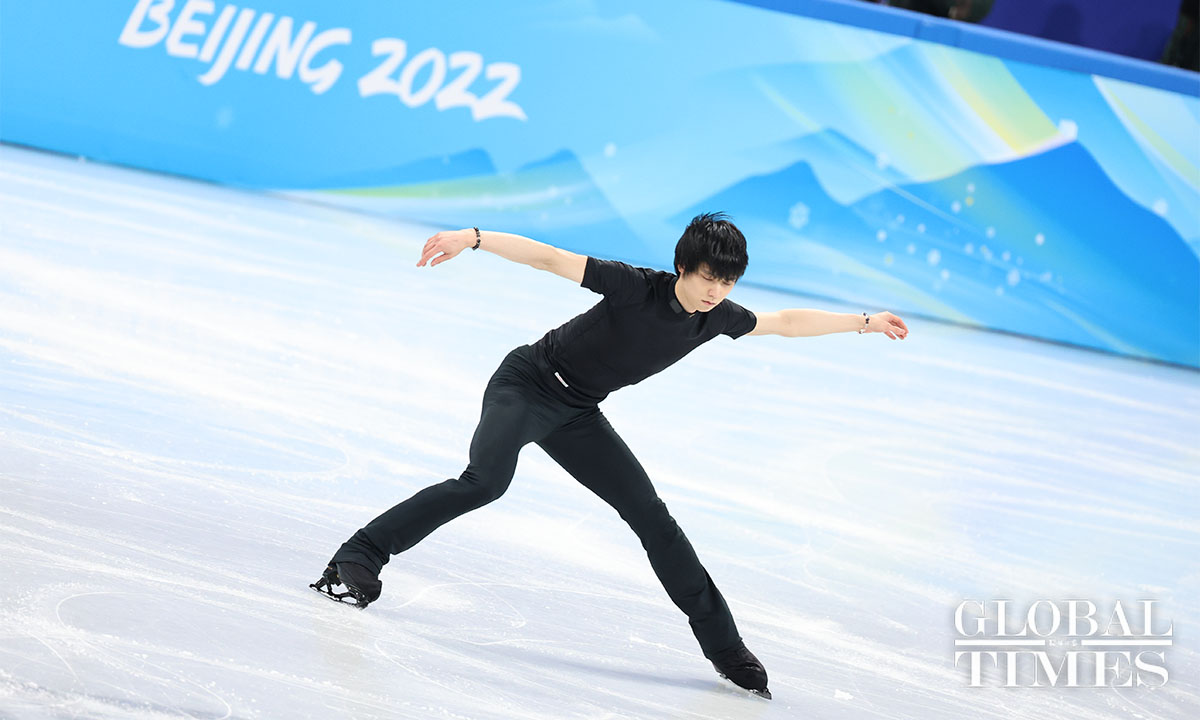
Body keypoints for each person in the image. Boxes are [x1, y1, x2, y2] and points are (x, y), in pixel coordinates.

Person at [311, 213, 909, 699]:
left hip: (578, 414)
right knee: (485, 482)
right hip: (527, 383)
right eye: (708, 279)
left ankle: (725, 648)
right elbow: (550, 259)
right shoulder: (634, 286)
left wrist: (863, 322)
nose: (716, 293)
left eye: (727, 284)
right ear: (682, 266)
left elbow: (782, 321)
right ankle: (358, 555)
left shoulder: (716, 318)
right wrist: (472, 238)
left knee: (653, 518)